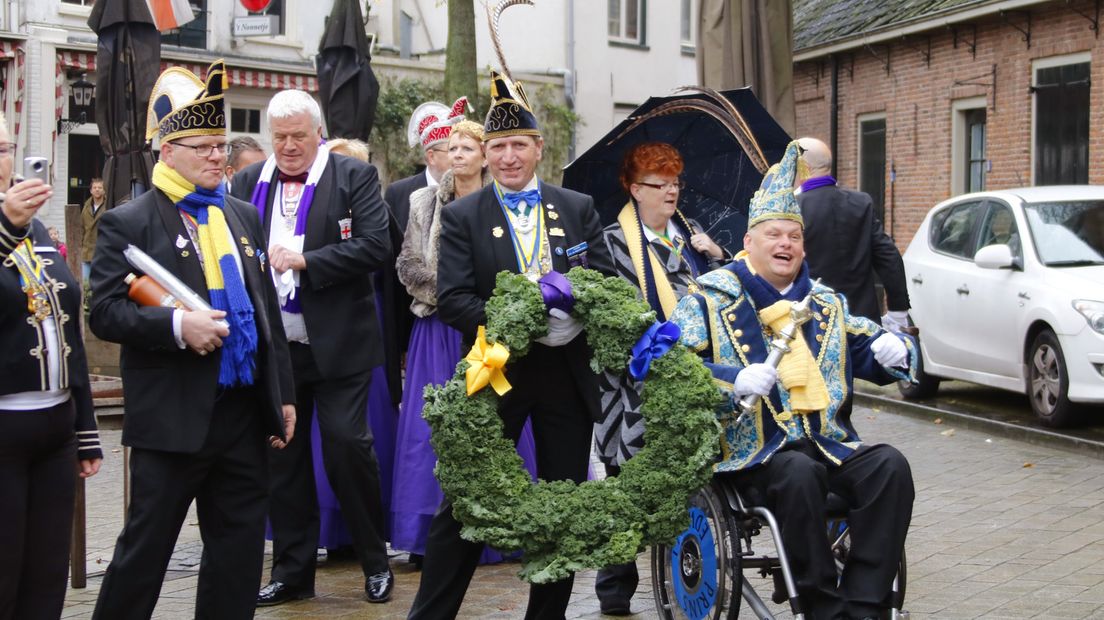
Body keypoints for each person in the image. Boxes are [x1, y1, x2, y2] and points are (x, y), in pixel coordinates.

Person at [671, 141, 917, 620]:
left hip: (829, 444)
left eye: (793, 236)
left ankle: (864, 604)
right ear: (748, 244)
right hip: (753, 454)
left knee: (890, 466)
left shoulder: (826, 304)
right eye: (773, 235)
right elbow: (670, 371)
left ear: (804, 246)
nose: (785, 244)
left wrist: (896, 351)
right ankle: (822, 606)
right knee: (798, 473)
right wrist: (732, 379)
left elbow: (869, 352)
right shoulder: (709, 300)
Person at [89, 60, 296, 620]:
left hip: (242, 413)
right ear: (167, 151)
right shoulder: (129, 221)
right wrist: (178, 327)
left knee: (238, 554)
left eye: (219, 146)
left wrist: (283, 393)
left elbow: (265, 314)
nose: (215, 156)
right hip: (174, 416)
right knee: (145, 552)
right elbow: (103, 314)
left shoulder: (242, 216)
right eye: (201, 145)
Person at [407, 69, 615, 620]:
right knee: (467, 501)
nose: (507, 157)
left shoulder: (578, 208)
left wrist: (577, 316)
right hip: (494, 369)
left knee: (562, 501)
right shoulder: (462, 215)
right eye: (497, 147)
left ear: (538, 148)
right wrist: (515, 323)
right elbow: (452, 299)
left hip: (566, 379)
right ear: (486, 153)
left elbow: (607, 284)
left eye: (518, 145)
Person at [230, 89, 395, 606]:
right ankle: (293, 571)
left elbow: (376, 246)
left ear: (317, 133)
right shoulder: (246, 181)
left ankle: (374, 559)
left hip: (339, 341)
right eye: (279, 137)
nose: (288, 146)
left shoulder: (353, 176)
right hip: (277, 347)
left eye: (298, 135)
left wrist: (307, 259)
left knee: (348, 448)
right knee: (284, 457)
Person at [393, 116, 539, 567]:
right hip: (437, 331)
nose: (456, 156)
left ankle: (506, 529)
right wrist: (452, 293)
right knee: (432, 431)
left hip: (491, 334)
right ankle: (426, 535)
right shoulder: (422, 202)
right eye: (449, 148)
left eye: (465, 148)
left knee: (495, 426)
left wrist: (490, 307)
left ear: (484, 156)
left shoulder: (505, 203)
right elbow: (408, 264)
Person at [593, 141, 729, 615]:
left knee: (685, 477)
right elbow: (614, 315)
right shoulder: (610, 243)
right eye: (660, 183)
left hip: (693, 380)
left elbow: (725, 300)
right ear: (634, 189)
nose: (671, 192)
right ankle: (614, 588)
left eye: (675, 182)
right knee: (628, 487)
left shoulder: (693, 236)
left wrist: (716, 256)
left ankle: (687, 567)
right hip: (633, 385)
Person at [0, 111, 103, 620]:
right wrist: (4, 229)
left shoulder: (34, 224)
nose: (2, 161)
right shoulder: (13, 223)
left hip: (54, 426)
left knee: (46, 573)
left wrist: (85, 427)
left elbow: (66, 324)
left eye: (3, 148)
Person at [307, 136, 398, 557]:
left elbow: (387, 262)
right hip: (306, 338)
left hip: (362, 331)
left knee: (357, 438)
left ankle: (367, 541)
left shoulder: (376, 211)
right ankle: (319, 537)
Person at [795, 137, 909, 331]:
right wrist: (898, 313)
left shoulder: (793, 208)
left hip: (813, 323)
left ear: (804, 167)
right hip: (863, 321)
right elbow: (889, 256)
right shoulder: (861, 202)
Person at [80, 177, 106, 282]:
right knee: (85, 283)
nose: (97, 189)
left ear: (104, 190)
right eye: (95, 187)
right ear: (91, 190)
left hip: (101, 252)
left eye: (100, 187)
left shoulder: (108, 206)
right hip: (86, 252)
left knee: (99, 283)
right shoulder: (86, 207)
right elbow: (81, 228)